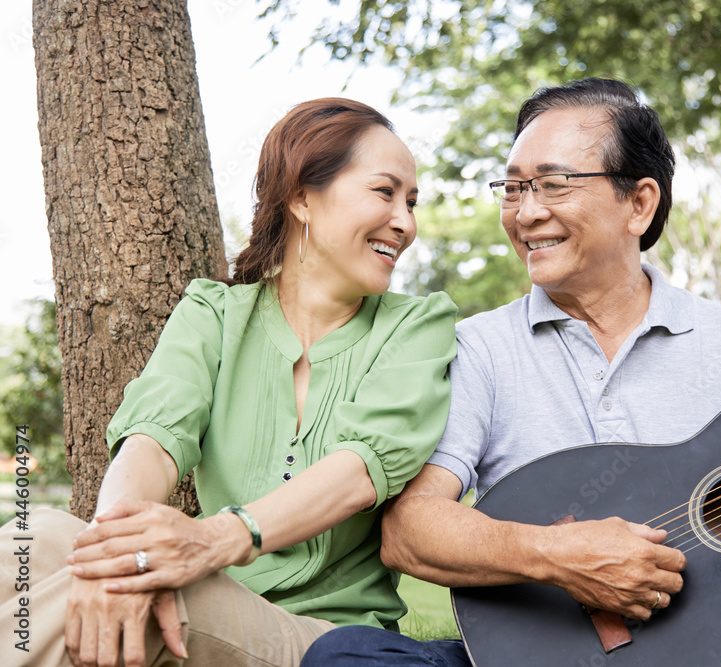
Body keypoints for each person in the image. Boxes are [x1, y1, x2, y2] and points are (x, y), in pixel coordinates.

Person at [301, 78, 721, 666]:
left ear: (640, 202)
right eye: (513, 188)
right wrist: (557, 554)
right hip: (526, 654)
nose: (526, 212)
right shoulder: (478, 347)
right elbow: (411, 528)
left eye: (553, 184)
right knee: (345, 657)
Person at [0, 97, 457, 667]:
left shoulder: (419, 324)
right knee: (36, 534)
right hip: (208, 592)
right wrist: (115, 555)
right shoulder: (214, 312)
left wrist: (208, 542)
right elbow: (154, 438)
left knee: (111, 591)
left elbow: (361, 470)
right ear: (301, 196)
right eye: (385, 193)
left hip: (318, 634)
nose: (406, 223)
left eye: (411, 202)